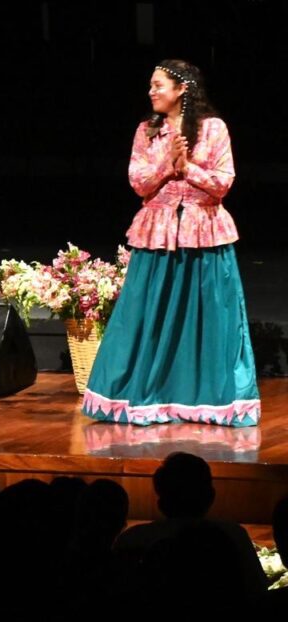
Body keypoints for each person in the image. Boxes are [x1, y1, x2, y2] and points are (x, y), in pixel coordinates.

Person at [82, 59, 260, 427]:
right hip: (158, 231)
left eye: (158, 85)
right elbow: (139, 182)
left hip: (204, 231)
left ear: (182, 89)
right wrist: (168, 163)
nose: (151, 91)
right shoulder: (147, 130)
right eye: (150, 85)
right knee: (146, 313)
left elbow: (222, 183)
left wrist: (188, 167)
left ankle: (207, 399)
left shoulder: (213, 129)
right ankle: (146, 394)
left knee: (208, 315)